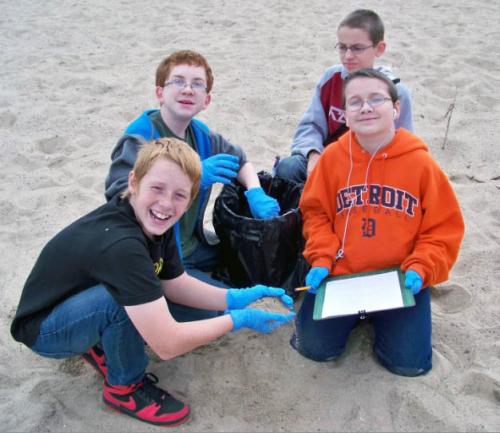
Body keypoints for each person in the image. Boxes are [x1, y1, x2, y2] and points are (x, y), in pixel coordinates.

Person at [10, 137, 295, 427]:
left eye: (179, 195)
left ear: (191, 198)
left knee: (200, 311)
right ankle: (124, 388)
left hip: (81, 299)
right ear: (133, 182)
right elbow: (167, 344)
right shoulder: (123, 245)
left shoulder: (156, 220)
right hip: (44, 329)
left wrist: (236, 297)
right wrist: (239, 319)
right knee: (119, 303)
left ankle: (101, 340)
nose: (166, 203)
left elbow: (176, 284)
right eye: (157, 188)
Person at [291, 69, 464, 376]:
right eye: (355, 102)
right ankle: (356, 317)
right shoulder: (332, 158)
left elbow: (442, 229)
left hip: (399, 277)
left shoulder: (421, 164)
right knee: (314, 349)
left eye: (376, 99)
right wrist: (321, 257)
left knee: (408, 364)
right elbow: (315, 214)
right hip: (340, 274)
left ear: (396, 109)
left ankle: (382, 319)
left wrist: (422, 267)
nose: (366, 107)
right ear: (344, 115)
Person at [105, 50, 280, 303]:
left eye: (197, 84)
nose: (187, 90)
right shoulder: (140, 137)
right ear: (159, 93)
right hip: (153, 252)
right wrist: (193, 175)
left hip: (191, 244)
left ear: (206, 100)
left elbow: (240, 160)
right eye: (177, 81)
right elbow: (119, 196)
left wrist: (255, 192)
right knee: (214, 307)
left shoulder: (200, 135)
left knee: (245, 259)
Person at [275, 9, 414, 183]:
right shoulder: (331, 78)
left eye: (357, 48)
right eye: (342, 47)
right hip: (328, 162)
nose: (348, 56)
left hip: (370, 171)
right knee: (289, 167)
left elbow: (404, 147)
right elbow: (311, 126)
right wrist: (313, 154)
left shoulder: (396, 92)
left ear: (379, 49)